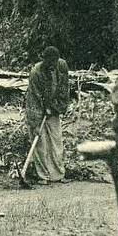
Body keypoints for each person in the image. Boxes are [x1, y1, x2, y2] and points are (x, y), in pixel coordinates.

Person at [24, 46, 70, 183]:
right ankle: (43, 176)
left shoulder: (62, 66)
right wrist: (35, 123)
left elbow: (64, 88)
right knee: (40, 144)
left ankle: (58, 175)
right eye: (48, 62)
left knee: (56, 142)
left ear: (57, 60)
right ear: (43, 60)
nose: (51, 65)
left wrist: (55, 106)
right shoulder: (36, 73)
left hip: (53, 109)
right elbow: (33, 98)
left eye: (54, 62)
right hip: (37, 109)